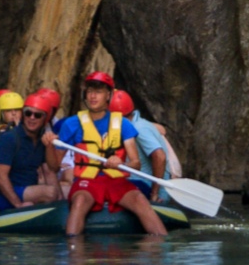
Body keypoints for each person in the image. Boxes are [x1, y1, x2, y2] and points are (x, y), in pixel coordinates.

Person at [56, 72, 166, 238]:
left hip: (116, 180)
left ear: (109, 95)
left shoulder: (122, 124)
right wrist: (50, 146)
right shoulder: (72, 124)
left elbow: (135, 163)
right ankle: (74, 252)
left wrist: (121, 164)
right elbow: (54, 164)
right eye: (90, 91)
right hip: (88, 181)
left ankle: (161, 248)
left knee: (140, 201)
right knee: (79, 202)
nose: (93, 96)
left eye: (99, 91)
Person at [0, 90, 65, 212]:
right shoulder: (9, 139)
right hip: (6, 195)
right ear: (23, 115)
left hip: (28, 190)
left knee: (62, 192)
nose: (32, 118)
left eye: (37, 115)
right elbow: (0, 177)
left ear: (45, 119)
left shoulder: (41, 140)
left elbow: (51, 170)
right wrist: (18, 205)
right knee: (50, 192)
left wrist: (61, 202)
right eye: (28, 113)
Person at [111, 89, 181, 201]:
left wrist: (154, 193)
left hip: (145, 187)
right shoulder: (134, 124)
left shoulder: (140, 129)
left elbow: (160, 157)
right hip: (134, 184)